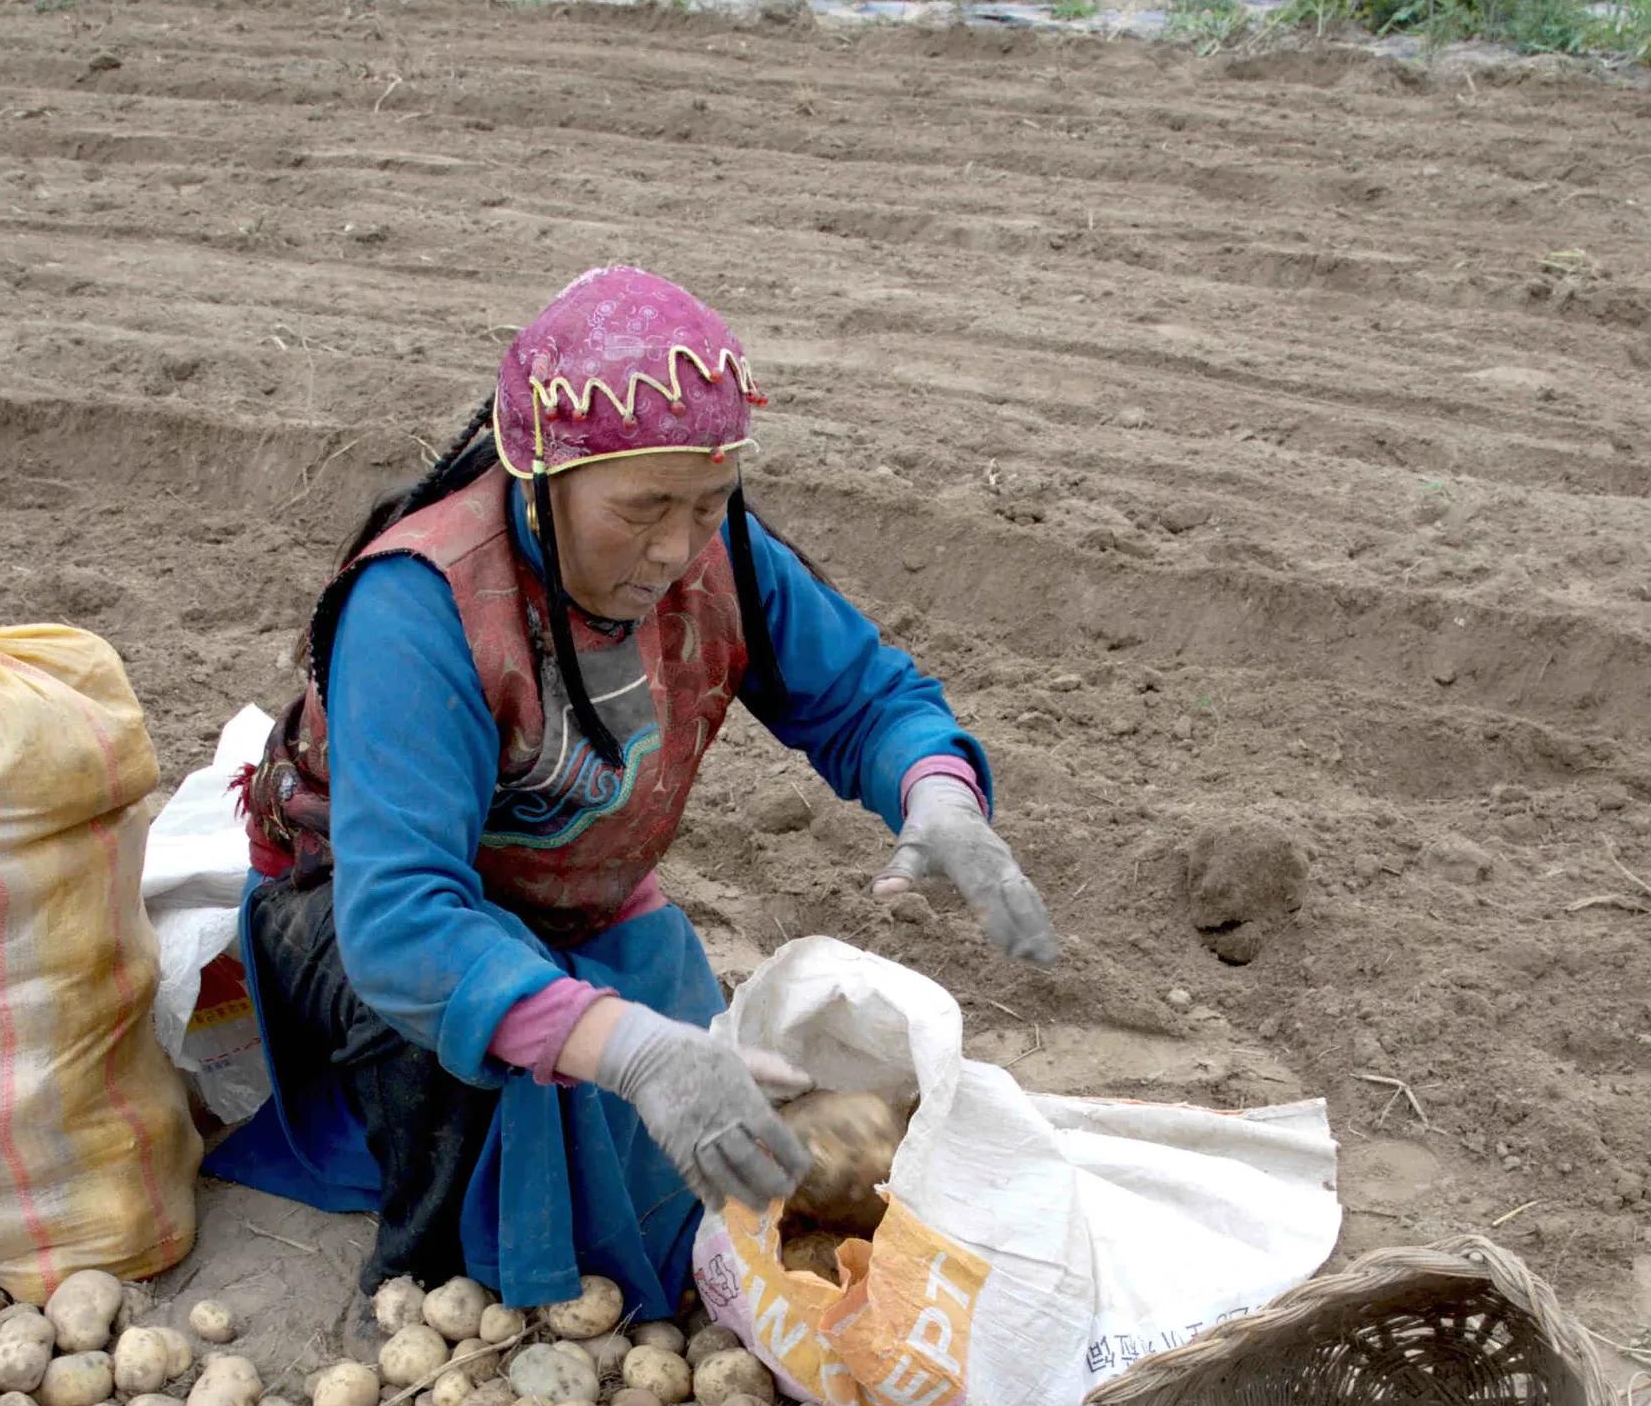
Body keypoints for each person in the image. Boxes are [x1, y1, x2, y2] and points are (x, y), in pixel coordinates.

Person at [213, 265, 1055, 1309]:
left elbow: (862, 694)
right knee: (500, 1127)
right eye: (644, 508)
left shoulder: (719, 552)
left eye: (707, 503)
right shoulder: (417, 606)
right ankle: (421, 1281)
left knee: (698, 1163)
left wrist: (938, 792)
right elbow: (399, 919)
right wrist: (635, 1051)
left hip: (582, 902)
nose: (675, 548)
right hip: (364, 917)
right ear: (539, 479)